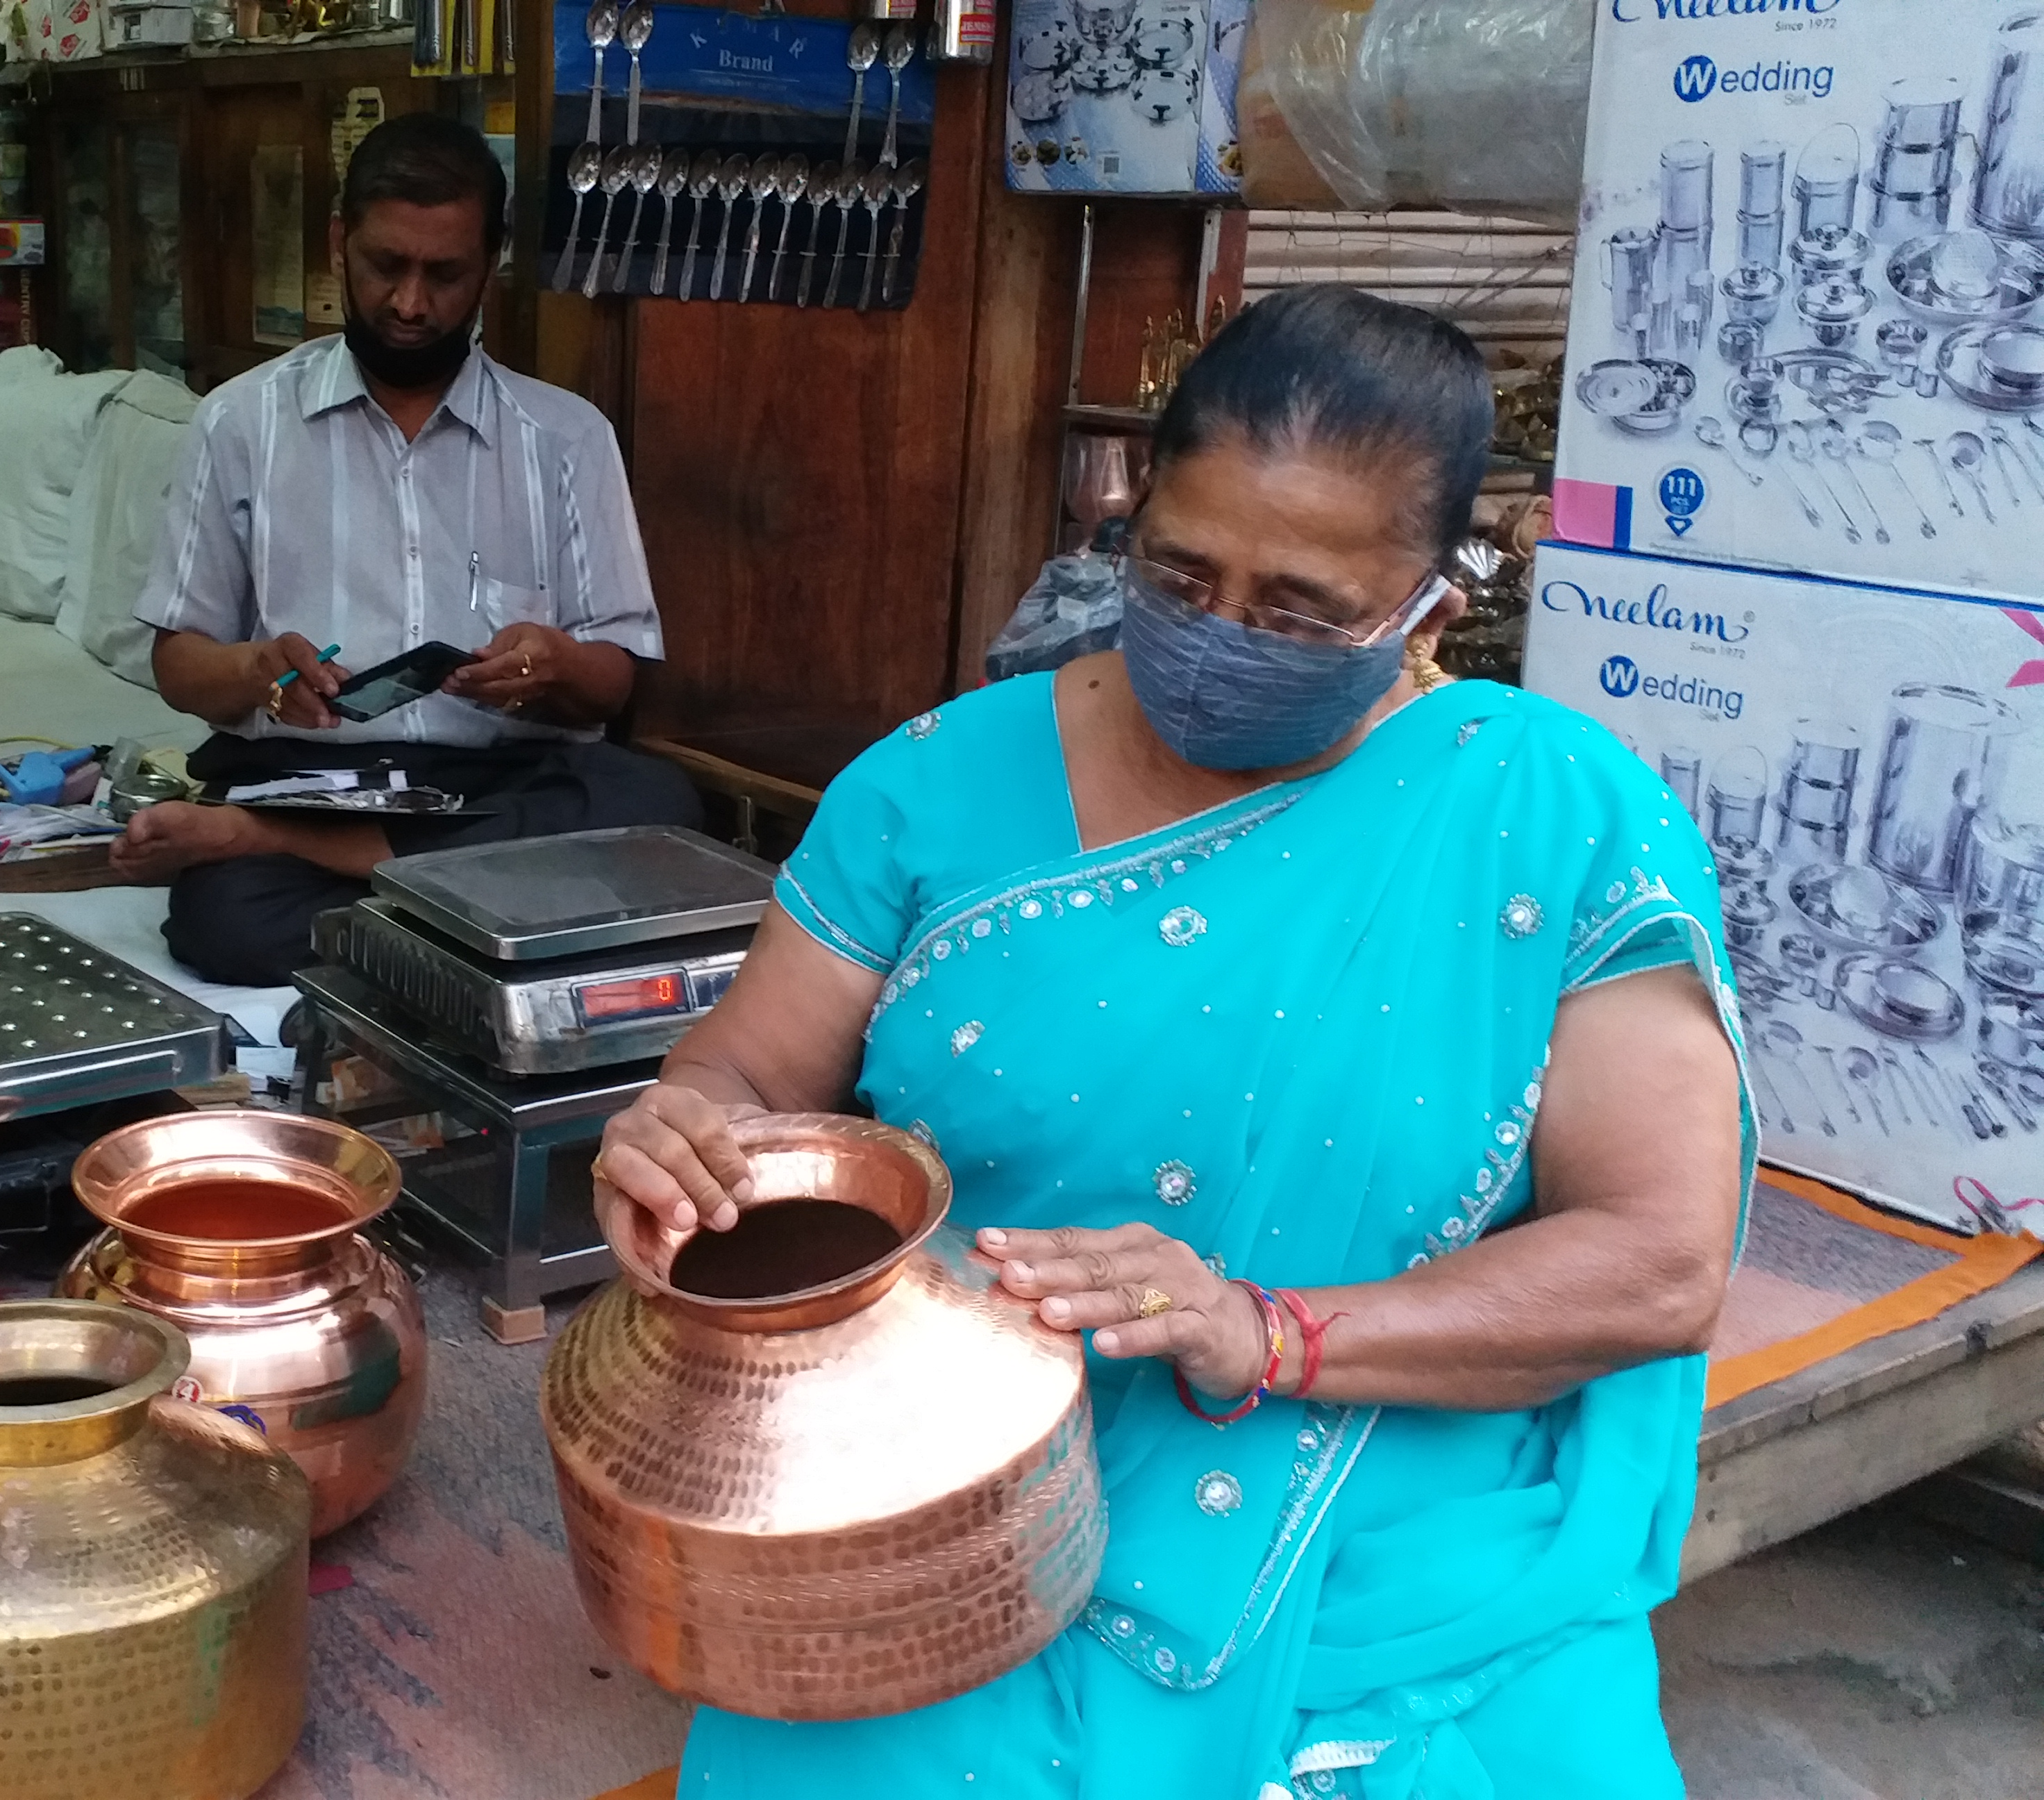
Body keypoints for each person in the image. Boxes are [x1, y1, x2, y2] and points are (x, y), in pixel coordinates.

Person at [593, 286, 1751, 1798]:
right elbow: (746, 1079)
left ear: (1426, 613)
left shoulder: (1552, 814)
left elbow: (1660, 1258)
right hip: (944, 1506)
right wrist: (682, 1138)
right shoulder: (938, 783)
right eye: (1181, 575)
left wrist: (1264, 1330)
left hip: (1399, 1528)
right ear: (1129, 524)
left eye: (1300, 612)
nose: (1220, 637)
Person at [112, 111, 701, 985]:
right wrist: (258, 673)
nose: (411, 304)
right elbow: (179, 664)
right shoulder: (240, 423)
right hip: (311, 781)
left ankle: (327, 876)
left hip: (497, 777)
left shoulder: (566, 437)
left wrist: (554, 666)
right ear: (338, 243)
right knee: (224, 923)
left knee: (660, 806)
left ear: (492, 267)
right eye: (386, 265)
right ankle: (475, 926)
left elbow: (613, 682)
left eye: (445, 273)